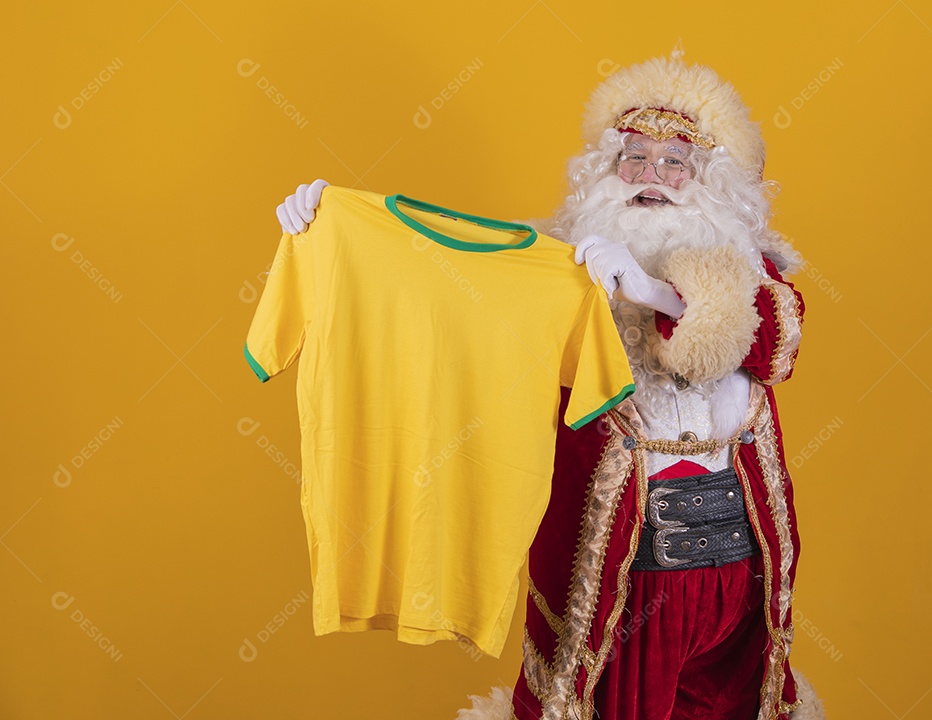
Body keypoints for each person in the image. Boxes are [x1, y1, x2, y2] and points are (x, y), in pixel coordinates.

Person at [275, 53, 822, 720]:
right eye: (633, 158)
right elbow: (445, 291)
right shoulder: (559, 267)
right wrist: (335, 226)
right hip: (620, 568)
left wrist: (651, 291)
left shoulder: (748, 271)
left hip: (743, 569)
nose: (651, 177)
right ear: (604, 172)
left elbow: (770, 342)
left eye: (675, 161)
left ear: (712, 181)